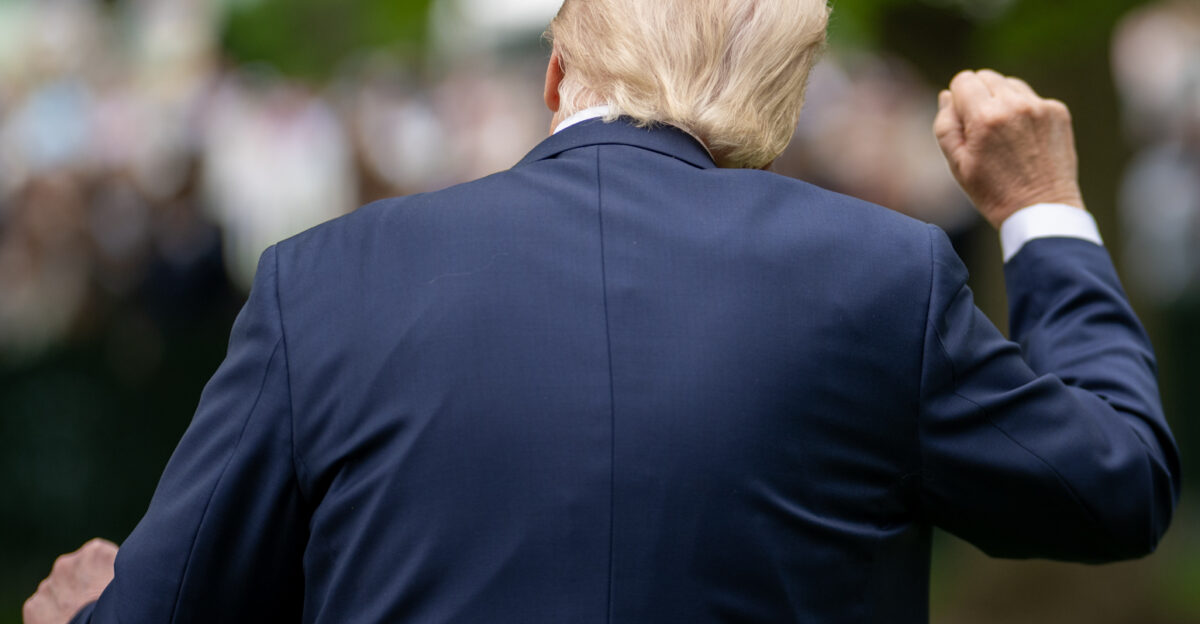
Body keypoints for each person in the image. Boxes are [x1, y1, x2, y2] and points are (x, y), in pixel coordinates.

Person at [25, 1, 1180, 622]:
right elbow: (1112, 484)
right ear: (771, 112)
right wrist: (1042, 207)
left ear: (555, 76)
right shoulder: (881, 274)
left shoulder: (323, 279)